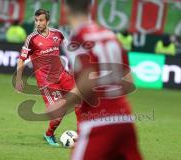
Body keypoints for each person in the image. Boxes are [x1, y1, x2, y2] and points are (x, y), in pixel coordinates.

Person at [46, 0, 143, 159]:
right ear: (90, 7)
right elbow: (129, 82)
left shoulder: (78, 39)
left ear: (65, 9)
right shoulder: (109, 35)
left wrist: (61, 106)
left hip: (98, 122)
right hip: (124, 119)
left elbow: (87, 83)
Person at [15, 9, 76, 146]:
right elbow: (21, 59)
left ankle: (84, 136)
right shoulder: (31, 39)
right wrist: (18, 79)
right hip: (47, 82)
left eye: (41, 20)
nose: (38, 23)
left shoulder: (57, 34)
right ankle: (49, 134)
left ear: (47, 21)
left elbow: (70, 49)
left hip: (63, 75)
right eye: (36, 20)